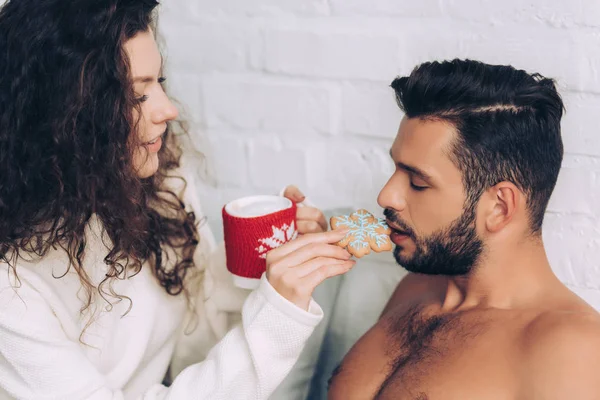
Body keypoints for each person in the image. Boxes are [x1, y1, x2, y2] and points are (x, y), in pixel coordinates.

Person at [0, 1, 357, 399]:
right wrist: (277, 320)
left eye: (160, 82)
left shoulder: (157, 180)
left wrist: (260, 259)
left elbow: (192, 346)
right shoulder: (9, 286)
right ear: (66, 115)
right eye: (136, 97)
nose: (167, 109)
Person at [327, 59, 600, 399]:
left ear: (500, 206)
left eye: (417, 182)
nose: (387, 195)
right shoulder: (415, 289)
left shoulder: (571, 348)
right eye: (395, 170)